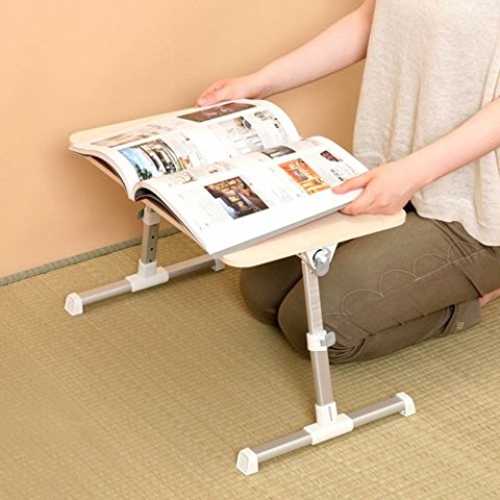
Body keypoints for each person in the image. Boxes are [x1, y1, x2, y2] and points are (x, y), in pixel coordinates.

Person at [197, 0, 500, 363]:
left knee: (315, 328)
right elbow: (371, 20)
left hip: (479, 209)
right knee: (262, 294)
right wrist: (259, 83)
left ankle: (474, 296)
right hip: (394, 174)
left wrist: (412, 173)